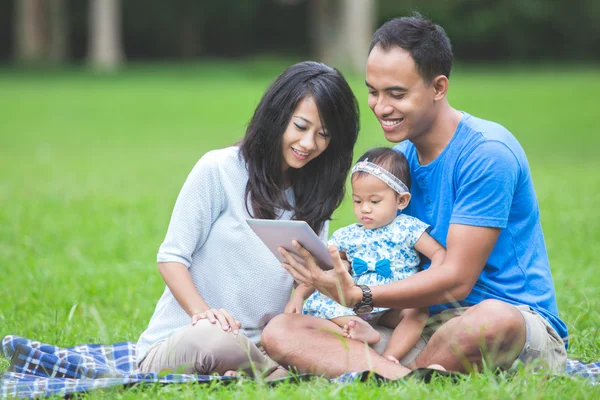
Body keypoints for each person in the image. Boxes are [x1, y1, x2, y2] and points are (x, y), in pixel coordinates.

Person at [262, 14, 568, 379]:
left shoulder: (487, 154)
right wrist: (331, 274)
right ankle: (409, 378)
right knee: (282, 331)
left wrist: (360, 294)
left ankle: (391, 374)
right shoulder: (398, 162)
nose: (381, 107)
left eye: (397, 94)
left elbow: (457, 280)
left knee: (493, 319)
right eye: (373, 91)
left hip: (506, 323)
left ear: (438, 88)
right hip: (417, 322)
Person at [135, 61, 360, 379]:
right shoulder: (219, 169)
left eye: (323, 135)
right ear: (277, 116)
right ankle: (279, 376)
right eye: (300, 126)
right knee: (215, 341)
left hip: (268, 344)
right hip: (188, 341)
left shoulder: (314, 196)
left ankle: (262, 371)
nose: (309, 143)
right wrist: (204, 315)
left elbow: (305, 280)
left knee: (347, 334)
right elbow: (171, 258)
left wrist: (314, 288)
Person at [286, 147, 445, 363]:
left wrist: (431, 275)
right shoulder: (347, 235)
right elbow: (325, 270)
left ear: (401, 201)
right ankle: (355, 325)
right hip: (355, 303)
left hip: (395, 301)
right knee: (318, 303)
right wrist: (298, 295)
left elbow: (438, 253)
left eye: (375, 201)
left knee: (417, 312)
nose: (365, 209)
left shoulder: (407, 227)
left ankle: (391, 356)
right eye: (358, 201)